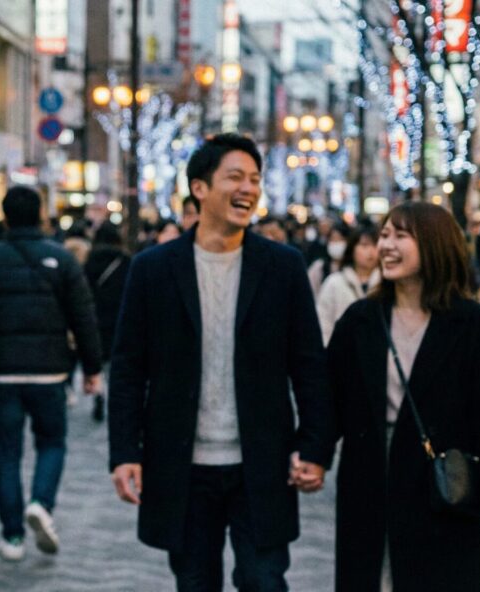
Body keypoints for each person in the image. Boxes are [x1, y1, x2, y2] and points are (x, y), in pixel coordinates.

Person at [109, 134, 334, 591]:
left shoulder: (282, 267)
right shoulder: (153, 269)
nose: (248, 189)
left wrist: (314, 448)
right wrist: (124, 453)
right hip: (181, 461)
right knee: (194, 582)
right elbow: (129, 368)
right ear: (200, 188)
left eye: (254, 179)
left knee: (264, 581)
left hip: (263, 459)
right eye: (234, 177)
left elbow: (308, 365)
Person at [328, 202, 480, 592]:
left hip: (442, 489)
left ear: (435, 244)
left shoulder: (470, 324)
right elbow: (330, 397)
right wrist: (311, 456)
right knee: (374, 577)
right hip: (370, 479)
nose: (386, 245)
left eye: (400, 236)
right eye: (385, 235)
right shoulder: (361, 320)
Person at [0, 186, 102, 561]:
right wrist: (92, 368)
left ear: (6, 216)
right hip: (50, 370)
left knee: (7, 453)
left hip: (1, 372)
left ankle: (12, 537)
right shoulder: (61, 259)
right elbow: (83, 317)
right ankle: (41, 503)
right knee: (51, 442)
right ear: (41, 215)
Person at [83, 222, 131, 422]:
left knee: (99, 362)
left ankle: (100, 395)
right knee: (116, 364)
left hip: (96, 319)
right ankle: (114, 398)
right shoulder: (127, 261)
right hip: (120, 318)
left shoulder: (90, 260)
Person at [316, 225, 380, 345]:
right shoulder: (334, 282)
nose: (371, 252)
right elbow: (323, 324)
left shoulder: (386, 283)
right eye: (364, 245)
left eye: (375, 245)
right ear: (352, 248)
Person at [307, 222, 350, 298]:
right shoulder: (319, 267)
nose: (336, 243)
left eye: (341, 239)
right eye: (333, 239)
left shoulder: (353, 268)